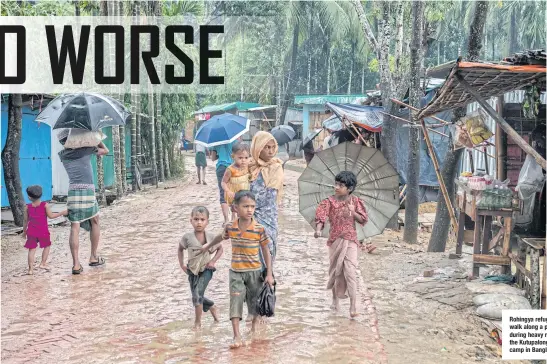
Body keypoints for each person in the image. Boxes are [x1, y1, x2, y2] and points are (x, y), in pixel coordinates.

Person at [201, 190, 274, 348]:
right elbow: (221, 236)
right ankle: (236, 335)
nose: (249, 210)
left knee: (254, 303)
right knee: (235, 301)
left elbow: (266, 251)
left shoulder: (259, 229)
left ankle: (253, 328)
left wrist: (269, 274)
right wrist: (208, 245)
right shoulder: (231, 227)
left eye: (252, 207)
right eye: (245, 206)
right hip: (236, 272)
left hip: (255, 271)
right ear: (235, 208)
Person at [314, 171, 368, 318]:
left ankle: (353, 305)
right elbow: (321, 218)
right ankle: (335, 300)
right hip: (335, 240)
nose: (336, 187)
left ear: (349, 188)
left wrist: (353, 212)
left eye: (341, 185)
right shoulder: (328, 202)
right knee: (336, 270)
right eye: (336, 184)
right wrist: (318, 230)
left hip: (351, 240)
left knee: (350, 270)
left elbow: (363, 220)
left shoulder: (355, 202)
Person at [58, 130, 109, 275]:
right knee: (95, 221)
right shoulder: (87, 150)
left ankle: (75, 265)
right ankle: (93, 257)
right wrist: (94, 136)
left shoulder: (63, 155)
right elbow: (105, 150)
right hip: (87, 191)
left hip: (73, 192)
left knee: (75, 226)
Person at [178, 206, 223, 330]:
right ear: (191, 220)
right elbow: (180, 249)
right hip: (192, 271)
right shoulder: (187, 237)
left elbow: (220, 248)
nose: (199, 222)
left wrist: (213, 261)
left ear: (207, 221)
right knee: (197, 295)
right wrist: (181, 264)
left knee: (197, 295)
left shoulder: (211, 237)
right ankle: (211, 306)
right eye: (196, 219)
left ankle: (197, 323)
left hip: (206, 270)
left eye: (202, 219)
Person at [249, 131, 284, 262]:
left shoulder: (276, 167)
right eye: (266, 147)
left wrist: (249, 200)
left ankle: (267, 279)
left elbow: (269, 195)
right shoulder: (249, 166)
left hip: (267, 217)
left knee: (267, 249)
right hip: (248, 217)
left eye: (272, 147)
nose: (270, 151)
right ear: (257, 148)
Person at [22, 185, 68, 275]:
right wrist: (62, 212)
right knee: (47, 246)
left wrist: (24, 232)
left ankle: (30, 270)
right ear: (41, 195)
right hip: (43, 231)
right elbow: (51, 216)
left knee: (32, 249)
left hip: (31, 231)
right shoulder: (45, 205)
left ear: (29, 197)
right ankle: (43, 263)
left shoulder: (27, 207)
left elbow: (25, 220)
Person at [221, 143, 251, 221]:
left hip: (245, 192)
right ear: (233, 156)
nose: (243, 160)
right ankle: (234, 223)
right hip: (234, 194)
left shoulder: (248, 167)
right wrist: (228, 191)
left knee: (244, 211)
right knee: (236, 210)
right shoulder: (230, 170)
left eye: (246, 157)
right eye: (240, 157)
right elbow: (223, 182)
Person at [210, 141, 235, 226]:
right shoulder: (234, 141)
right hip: (233, 167)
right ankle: (233, 218)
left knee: (223, 193)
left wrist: (220, 155)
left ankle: (226, 220)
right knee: (233, 191)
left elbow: (213, 158)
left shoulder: (217, 142)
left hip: (221, 167)